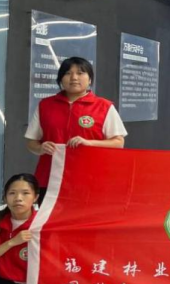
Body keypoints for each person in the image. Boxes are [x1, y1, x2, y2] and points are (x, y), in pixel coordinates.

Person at [25, 56, 127, 198]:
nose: (74, 78)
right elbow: (31, 142)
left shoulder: (104, 106)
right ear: (60, 79)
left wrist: (89, 143)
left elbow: (118, 143)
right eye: (68, 73)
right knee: (50, 213)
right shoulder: (45, 105)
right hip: (51, 178)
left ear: (90, 79)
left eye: (80, 73)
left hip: (91, 179)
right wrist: (40, 148)